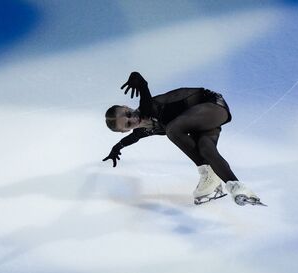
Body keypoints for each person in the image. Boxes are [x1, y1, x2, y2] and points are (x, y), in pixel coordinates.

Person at [102, 72, 264, 206]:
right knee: (206, 149)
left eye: (128, 114)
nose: (133, 120)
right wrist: (116, 149)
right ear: (125, 130)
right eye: (128, 124)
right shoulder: (142, 131)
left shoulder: (148, 107)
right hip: (198, 123)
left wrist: (135, 79)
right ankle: (237, 187)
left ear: (126, 107)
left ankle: (208, 173)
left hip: (211, 105)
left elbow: (142, 84)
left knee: (172, 129)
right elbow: (129, 140)